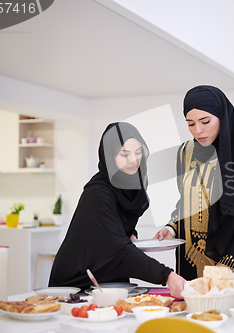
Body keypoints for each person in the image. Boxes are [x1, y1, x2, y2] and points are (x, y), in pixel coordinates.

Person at [49, 122, 186, 297]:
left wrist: (129, 234)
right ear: (109, 155)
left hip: (110, 280)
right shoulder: (97, 193)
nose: (134, 160)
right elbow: (119, 249)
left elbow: (116, 227)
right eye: (124, 154)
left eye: (138, 152)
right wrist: (167, 276)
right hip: (78, 284)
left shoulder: (130, 184)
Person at [154, 85, 234, 280]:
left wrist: (227, 269)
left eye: (205, 121)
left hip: (225, 263)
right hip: (187, 259)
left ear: (222, 116)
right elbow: (185, 201)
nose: (198, 130)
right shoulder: (185, 152)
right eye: (190, 124)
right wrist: (171, 227)